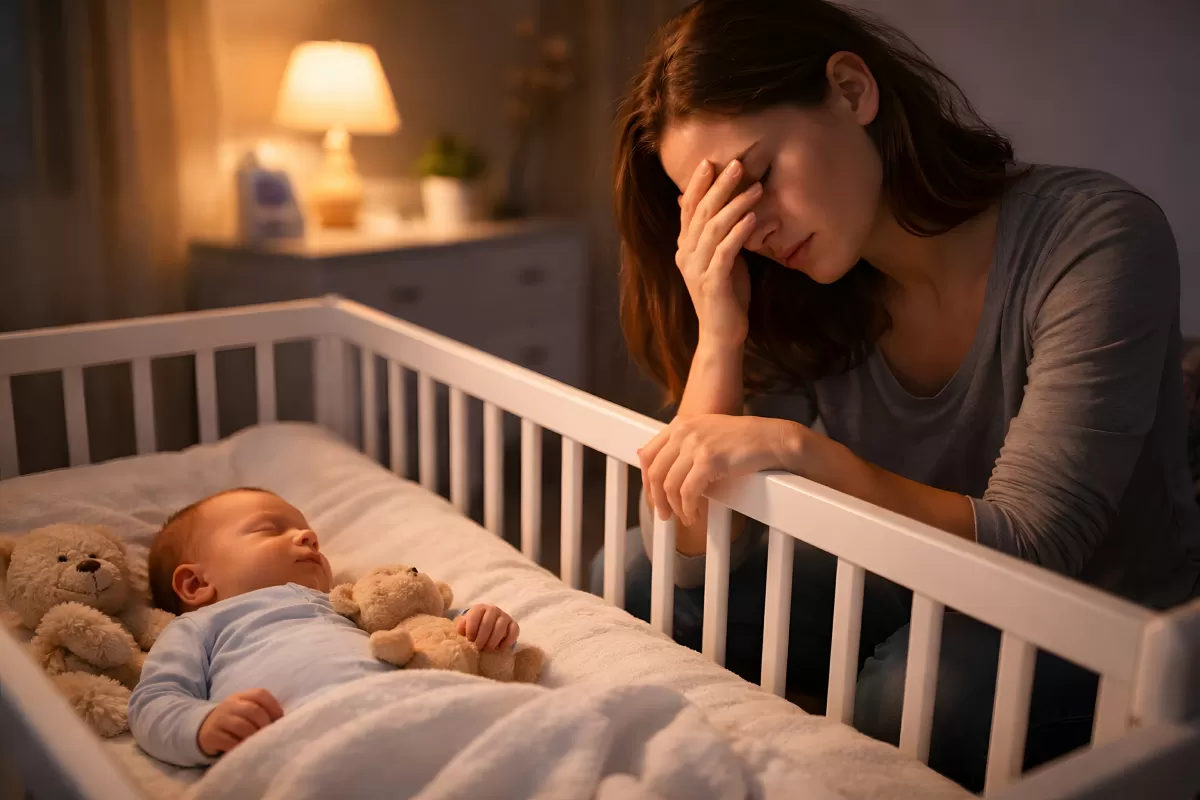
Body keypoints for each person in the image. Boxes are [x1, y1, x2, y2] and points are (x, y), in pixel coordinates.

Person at [588, 0, 1200, 790]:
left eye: (759, 177)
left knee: (921, 697)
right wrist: (718, 333)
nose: (753, 227)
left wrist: (810, 453)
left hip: (1095, 615)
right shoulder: (799, 286)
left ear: (850, 90)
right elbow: (687, 563)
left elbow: (1035, 544)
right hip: (901, 573)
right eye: (720, 208)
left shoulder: (1096, 236)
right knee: (631, 572)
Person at [129, 488, 521, 767]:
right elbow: (153, 701)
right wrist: (202, 726)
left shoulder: (343, 603)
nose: (309, 536)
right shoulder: (199, 626)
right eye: (269, 528)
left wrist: (478, 623)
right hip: (304, 736)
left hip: (408, 707)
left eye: (305, 529)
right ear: (196, 584)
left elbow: (420, 625)